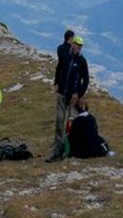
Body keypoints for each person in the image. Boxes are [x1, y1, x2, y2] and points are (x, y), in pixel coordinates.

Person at [52, 34, 89, 163]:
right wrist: (56, 83)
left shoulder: (82, 61)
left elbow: (86, 80)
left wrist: (79, 94)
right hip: (62, 94)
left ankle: (69, 151)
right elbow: (58, 69)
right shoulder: (65, 56)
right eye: (76, 44)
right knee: (59, 122)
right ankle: (57, 151)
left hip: (73, 99)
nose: (78, 47)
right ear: (72, 44)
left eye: (80, 46)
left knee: (71, 125)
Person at [48, 30, 75, 163]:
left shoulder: (74, 55)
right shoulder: (64, 50)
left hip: (69, 92)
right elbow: (62, 63)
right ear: (70, 39)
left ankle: (67, 145)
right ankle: (59, 146)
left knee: (69, 121)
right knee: (61, 119)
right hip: (63, 90)